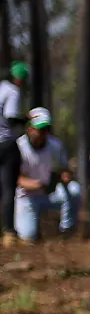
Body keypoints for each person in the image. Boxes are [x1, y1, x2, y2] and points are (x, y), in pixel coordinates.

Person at [15, 109, 79, 242]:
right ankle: (35, 229)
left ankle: (67, 230)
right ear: (29, 128)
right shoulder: (19, 147)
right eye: (39, 129)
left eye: (46, 129)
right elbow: (17, 179)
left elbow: (64, 169)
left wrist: (65, 176)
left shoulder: (56, 145)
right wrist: (39, 184)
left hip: (49, 195)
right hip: (26, 197)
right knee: (27, 238)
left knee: (74, 190)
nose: (43, 133)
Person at [0, 62, 26, 241]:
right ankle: (9, 231)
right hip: (6, 144)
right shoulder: (13, 91)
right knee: (9, 189)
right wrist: (26, 118)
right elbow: (11, 118)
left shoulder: (1, 87)